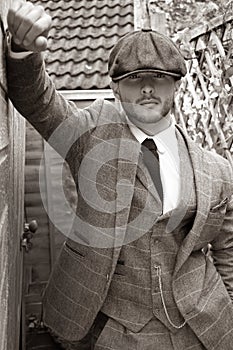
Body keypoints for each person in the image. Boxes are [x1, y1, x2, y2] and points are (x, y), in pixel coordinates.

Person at [6, 1, 233, 350]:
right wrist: (23, 50)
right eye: (133, 79)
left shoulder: (216, 170)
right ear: (115, 88)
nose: (147, 88)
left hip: (203, 327)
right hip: (115, 331)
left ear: (176, 88)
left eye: (159, 78)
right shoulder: (90, 136)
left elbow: (227, 251)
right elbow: (38, 100)